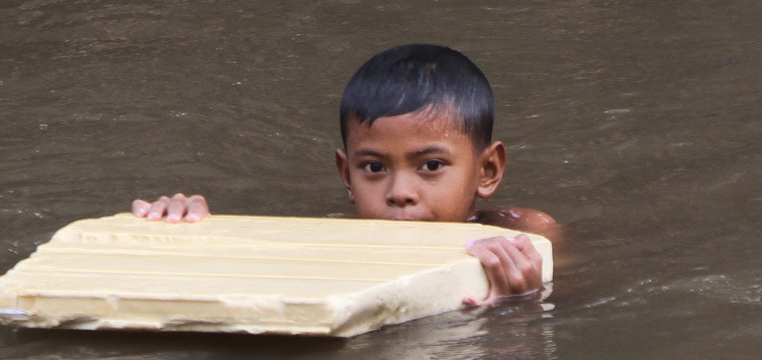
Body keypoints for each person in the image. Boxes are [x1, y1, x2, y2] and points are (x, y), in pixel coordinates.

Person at [130, 44, 558, 302]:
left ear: (487, 170)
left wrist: (518, 306)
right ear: (346, 175)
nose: (399, 193)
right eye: (373, 168)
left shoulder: (528, 235)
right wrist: (186, 235)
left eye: (430, 166)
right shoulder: (322, 237)